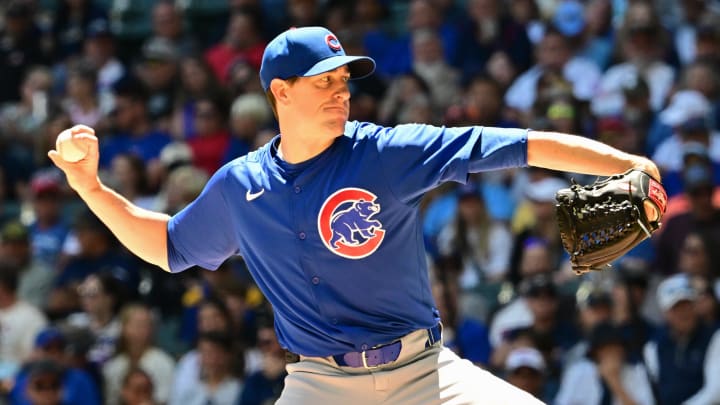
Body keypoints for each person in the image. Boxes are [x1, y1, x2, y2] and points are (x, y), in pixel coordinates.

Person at [49, 26, 662, 404]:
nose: (341, 90)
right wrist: (89, 186)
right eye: (323, 82)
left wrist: (622, 160)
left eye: (344, 79)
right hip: (320, 387)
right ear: (280, 93)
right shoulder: (241, 187)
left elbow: (515, 143)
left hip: (425, 374)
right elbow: (167, 246)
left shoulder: (385, 152)